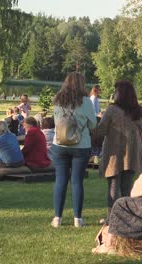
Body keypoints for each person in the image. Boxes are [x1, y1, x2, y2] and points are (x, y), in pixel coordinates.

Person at [51, 72, 97, 228]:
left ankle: (57, 218)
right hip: (81, 145)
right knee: (77, 181)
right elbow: (92, 125)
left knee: (60, 180)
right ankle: (78, 218)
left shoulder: (58, 99)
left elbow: (56, 121)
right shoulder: (86, 102)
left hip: (59, 144)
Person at [96, 80, 142, 221]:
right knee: (127, 188)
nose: (114, 94)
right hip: (132, 153)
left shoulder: (112, 110)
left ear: (121, 94)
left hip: (114, 152)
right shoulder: (140, 111)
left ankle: (111, 217)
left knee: (113, 186)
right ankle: (126, 218)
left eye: (116, 91)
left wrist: (89, 127)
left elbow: (101, 130)